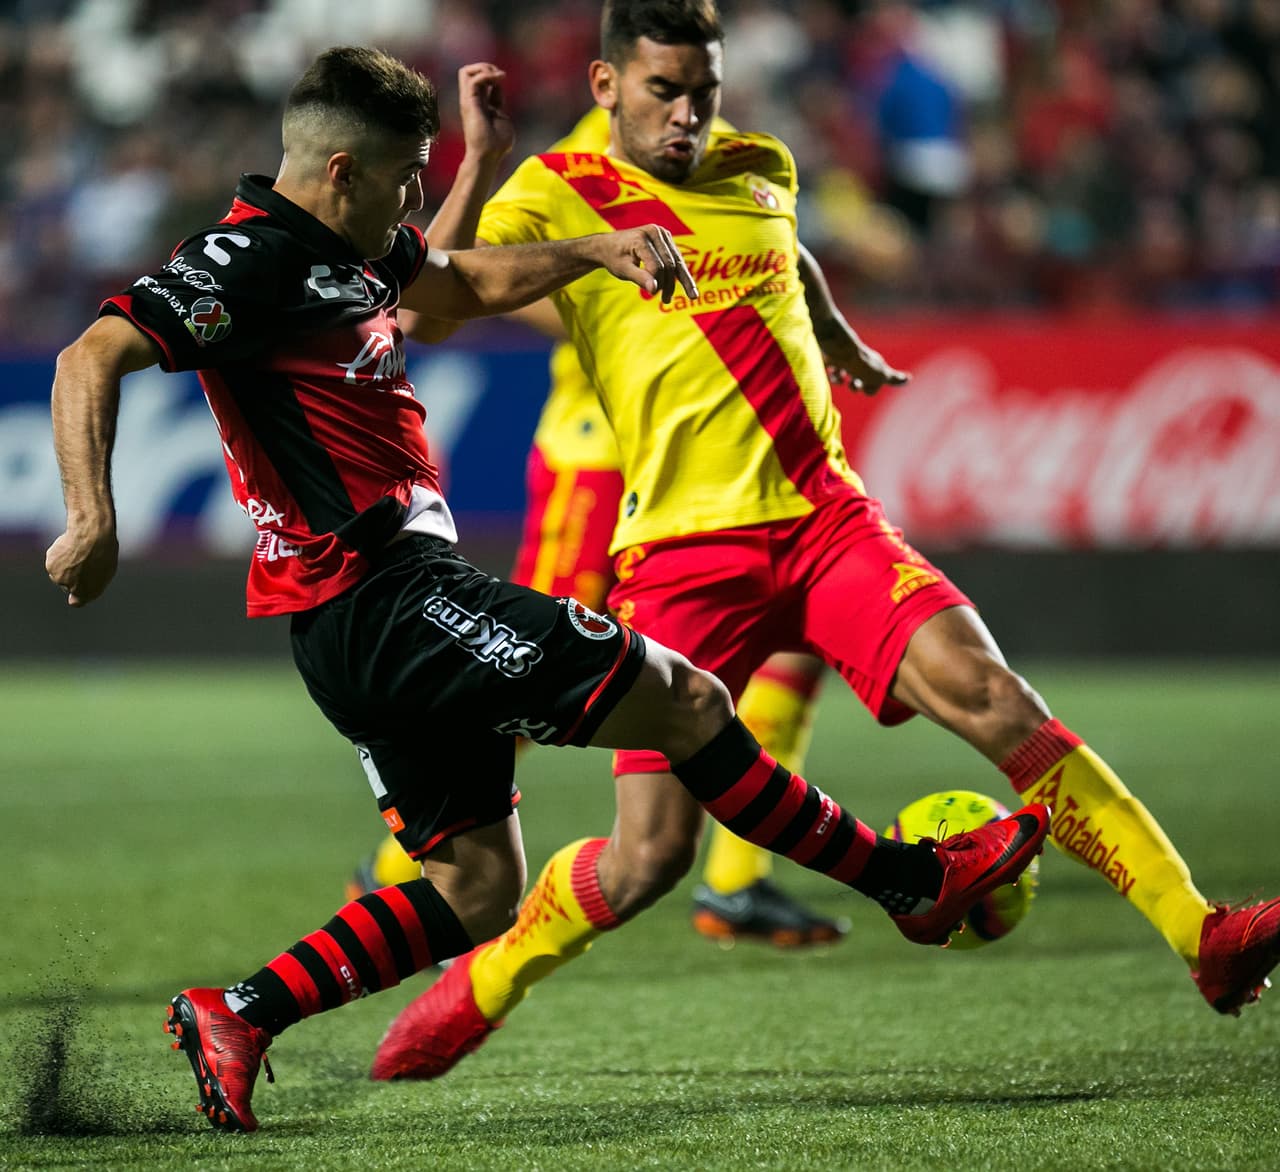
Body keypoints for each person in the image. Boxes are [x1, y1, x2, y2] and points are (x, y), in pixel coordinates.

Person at [45, 44, 1050, 1133]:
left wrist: (593, 246)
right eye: (406, 174)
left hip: (360, 617)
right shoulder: (246, 262)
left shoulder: (348, 244)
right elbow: (87, 357)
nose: (416, 194)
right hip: (382, 597)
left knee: (479, 885)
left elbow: (455, 281)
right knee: (691, 700)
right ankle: (909, 882)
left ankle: (238, 1011)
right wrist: (93, 519)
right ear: (340, 170)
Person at [368, 0, 1280, 1084]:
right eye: (663, 90)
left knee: (992, 693)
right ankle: (490, 974)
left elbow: (782, 252)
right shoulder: (557, 192)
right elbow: (426, 309)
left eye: (702, 89)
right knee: (650, 854)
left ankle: (1200, 934)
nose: (688, 115)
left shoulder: (758, 161)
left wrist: (836, 332)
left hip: (825, 519)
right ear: (609, 85)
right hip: (680, 553)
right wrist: (481, 164)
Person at [352, 91, 842, 948]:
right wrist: (609, 280)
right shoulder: (583, 161)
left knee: (792, 641)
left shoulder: (720, 157)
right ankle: (405, 866)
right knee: (523, 675)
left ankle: (737, 880)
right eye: (665, 75)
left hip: (699, 472)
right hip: (597, 461)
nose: (684, 98)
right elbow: (457, 286)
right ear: (615, 77)